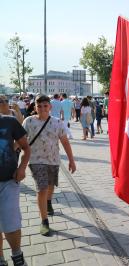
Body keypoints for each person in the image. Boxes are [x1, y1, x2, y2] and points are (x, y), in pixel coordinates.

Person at [22, 95, 76, 236]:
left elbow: (65, 142)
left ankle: (49, 201)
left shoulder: (57, 122)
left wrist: (71, 160)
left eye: (45, 106)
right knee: (42, 188)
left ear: (50, 107)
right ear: (35, 107)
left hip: (53, 160)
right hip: (35, 160)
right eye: (39, 106)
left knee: (51, 186)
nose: (42, 109)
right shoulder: (29, 121)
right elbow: (21, 140)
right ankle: (44, 221)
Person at [0, 110, 31, 266]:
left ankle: (17, 256)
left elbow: (26, 148)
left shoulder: (10, 122)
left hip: (8, 181)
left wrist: (22, 168)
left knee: (10, 221)